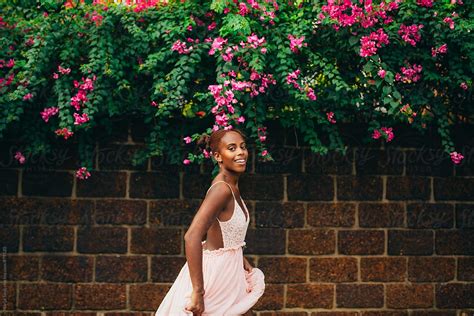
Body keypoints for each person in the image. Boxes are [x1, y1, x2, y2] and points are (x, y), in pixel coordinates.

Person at [155, 128, 265, 316]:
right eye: (232, 148)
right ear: (218, 156)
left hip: (230, 273)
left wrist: (240, 256)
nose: (240, 152)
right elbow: (192, 236)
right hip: (216, 277)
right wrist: (198, 292)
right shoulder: (221, 190)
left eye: (243, 147)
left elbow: (224, 233)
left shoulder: (231, 186)